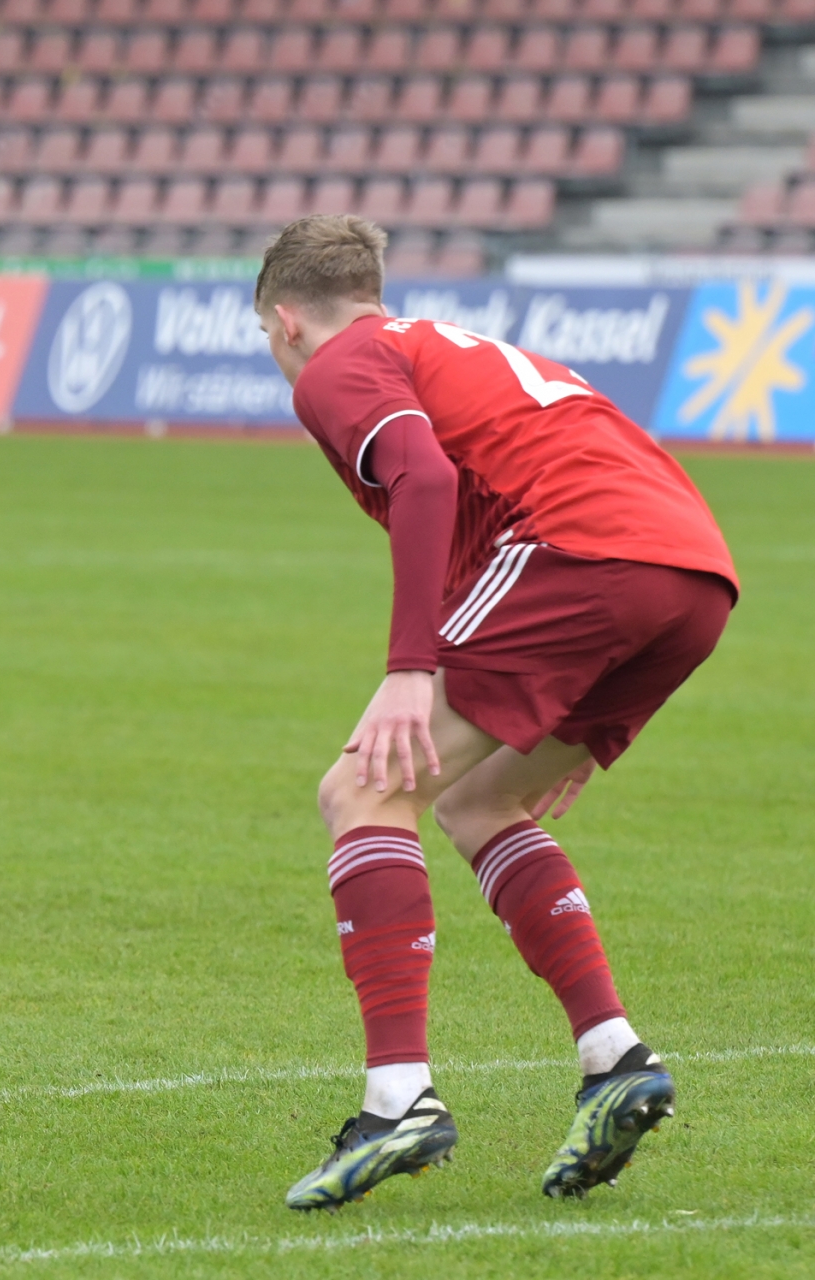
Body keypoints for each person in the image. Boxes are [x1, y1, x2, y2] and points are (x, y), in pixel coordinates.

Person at [255, 215, 738, 1209]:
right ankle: (615, 1056)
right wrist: (578, 710)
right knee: (477, 800)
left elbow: (423, 475)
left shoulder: (337, 365)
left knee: (361, 786)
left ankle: (400, 1099)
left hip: (584, 552)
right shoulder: (451, 347)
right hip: (691, 574)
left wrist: (407, 666)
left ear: (286, 319)